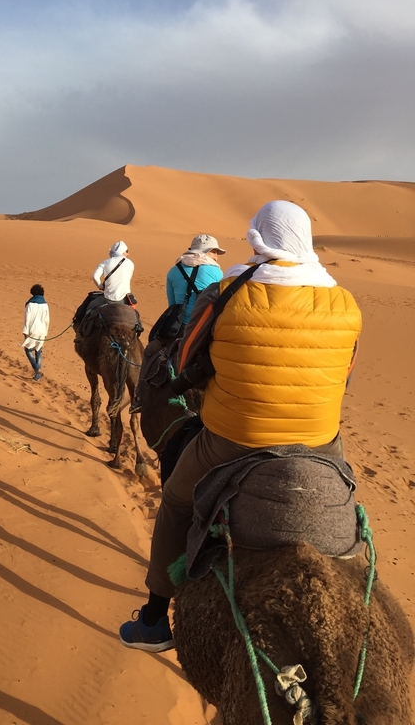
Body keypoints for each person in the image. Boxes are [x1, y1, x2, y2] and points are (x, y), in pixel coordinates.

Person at [119, 201, 362, 651]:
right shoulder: (345, 301)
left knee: (174, 499)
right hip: (320, 442)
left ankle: (153, 621)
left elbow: (186, 358)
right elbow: (344, 376)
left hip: (233, 439)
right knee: (349, 505)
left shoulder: (229, 292)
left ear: (258, 236)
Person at [165, 233, 225, 326]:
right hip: (203, 327)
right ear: (204, 251)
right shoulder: (216, 271)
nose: (216, 258)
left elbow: (172, 305)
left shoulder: (173, 271)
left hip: (178, 326)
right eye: (214, 252)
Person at [21, 284, 50, 381]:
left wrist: (25, 331)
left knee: (28, 349)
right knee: (38, 350)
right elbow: (47, 320)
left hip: (32, 330)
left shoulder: (30, 304)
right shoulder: (45, 305)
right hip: (42, 331)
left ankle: (37, 369)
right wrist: (46, 332)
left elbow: (27, 318)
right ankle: (38, 374)